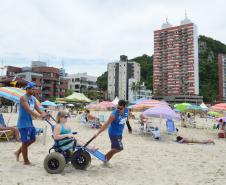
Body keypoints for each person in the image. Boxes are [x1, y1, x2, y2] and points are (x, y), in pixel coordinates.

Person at [15, 82, 47, 165]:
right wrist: (39, 116)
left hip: (29, 122)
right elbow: (29, 110)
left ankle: (18, 152)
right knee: (25, 142)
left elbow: (38, 109)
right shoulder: (23, 98)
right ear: (27, 89)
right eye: (32, 89)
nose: (34, 90)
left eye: (34, 89)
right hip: (23, 123)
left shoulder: (33, 98)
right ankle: (26, 161)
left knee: (33, 139)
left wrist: (44, 114)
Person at [94, 100, 132, 166]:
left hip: (119, 133)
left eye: (121, 108)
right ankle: (105, 158)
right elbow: (106, 124)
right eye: (118, 108)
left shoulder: (127, 111)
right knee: (119, 148)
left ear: (124, 107)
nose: (119, 110)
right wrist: (97, 133)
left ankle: (105, 162)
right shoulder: (113, 115)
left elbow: (127, 119)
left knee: (114, 148)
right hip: (113, 133)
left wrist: (129, 128)